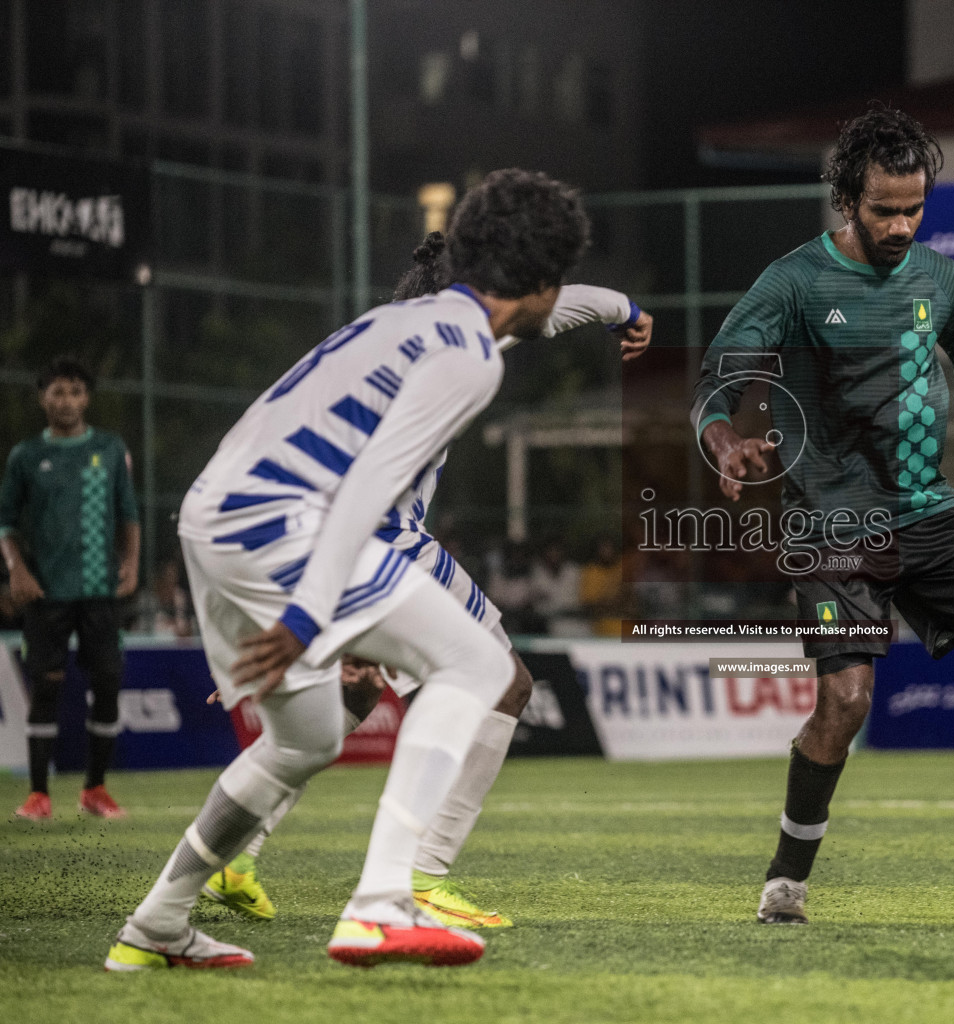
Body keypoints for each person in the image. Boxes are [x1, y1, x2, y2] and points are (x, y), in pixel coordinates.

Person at [103, 168, 592, 972]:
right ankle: (382, 904)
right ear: (541, 284)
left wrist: (625, 311)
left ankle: (156, 923)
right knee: (477, 663)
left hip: (209, 515)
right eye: (560, 284)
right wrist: (306, 615)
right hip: (285, 524)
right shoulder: (469, 354)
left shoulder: (403, 319)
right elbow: (368, 485)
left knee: (306, 739)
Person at [691, 105, 954, 925]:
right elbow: (716, 381)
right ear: (847, 202)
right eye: (884, 211)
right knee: (847, 701)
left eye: (914, 209)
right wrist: (725, 443)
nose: (902, 225)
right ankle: (787, 879)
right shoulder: (794, 281)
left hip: (928, 512)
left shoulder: (940, 282)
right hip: (831, 522)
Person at [202, 232, 652, 930]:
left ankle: (236, 857)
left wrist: (622, 309)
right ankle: (420, 876)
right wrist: (317, 608)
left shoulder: (369, 345)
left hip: (355, 544)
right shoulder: (446, 349)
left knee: (346, 703)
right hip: (383, 548)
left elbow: (551, 309)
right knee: (506, 684)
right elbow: (354, 489)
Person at [0, 359, 140, 821]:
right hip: (46, 592)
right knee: (46, 685)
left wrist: (132, 563)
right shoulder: (24, 456)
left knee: (108, 682)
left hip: (100, 590)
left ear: (87, 399)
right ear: (43, 398)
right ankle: (39, 795)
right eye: (57, 392)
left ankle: (95, 789)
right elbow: (4, 524)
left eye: (75, 392)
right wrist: (16, 569)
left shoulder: (109, 448)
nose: (66, 401)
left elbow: (129, 515)